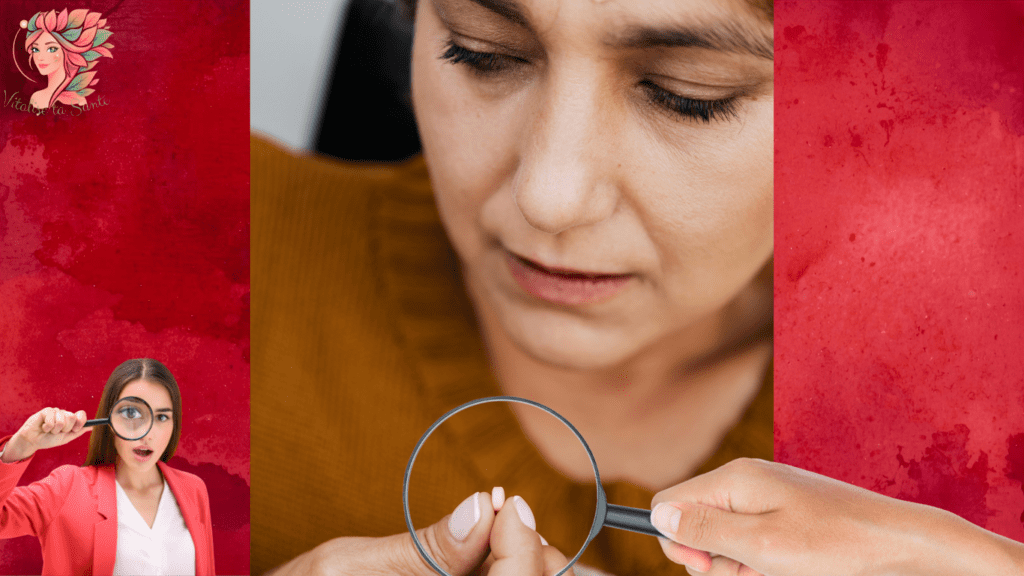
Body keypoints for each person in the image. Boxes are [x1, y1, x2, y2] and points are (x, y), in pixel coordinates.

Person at [250, 0, 1023, 574]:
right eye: (482, 51)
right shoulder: (194, 246)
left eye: (690, 94)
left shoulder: (989, 393)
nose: (549, 199)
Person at [0, 358, 216, 576]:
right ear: (110, 419)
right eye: (132, 413)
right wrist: (21, 445)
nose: (148, 434)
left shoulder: (193, 489)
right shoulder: (67, 488)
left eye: (161, 417)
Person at [17, 8, 113, 110]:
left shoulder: (77, 99)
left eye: (51, 49)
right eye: (36, 49)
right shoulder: (37, 97)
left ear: (68, 51)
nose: (40, 57)